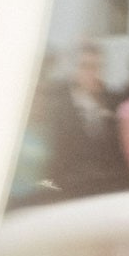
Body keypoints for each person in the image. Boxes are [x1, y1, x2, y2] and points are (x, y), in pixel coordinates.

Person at [49, 41, 124, 180]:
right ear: (74, 69)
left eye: (96, 67)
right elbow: (56, 159)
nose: (91, 73)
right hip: (72, 185)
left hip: (106, 182)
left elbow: (116, 152)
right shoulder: (59, 106)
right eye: (85, 66)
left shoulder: (111, 102)